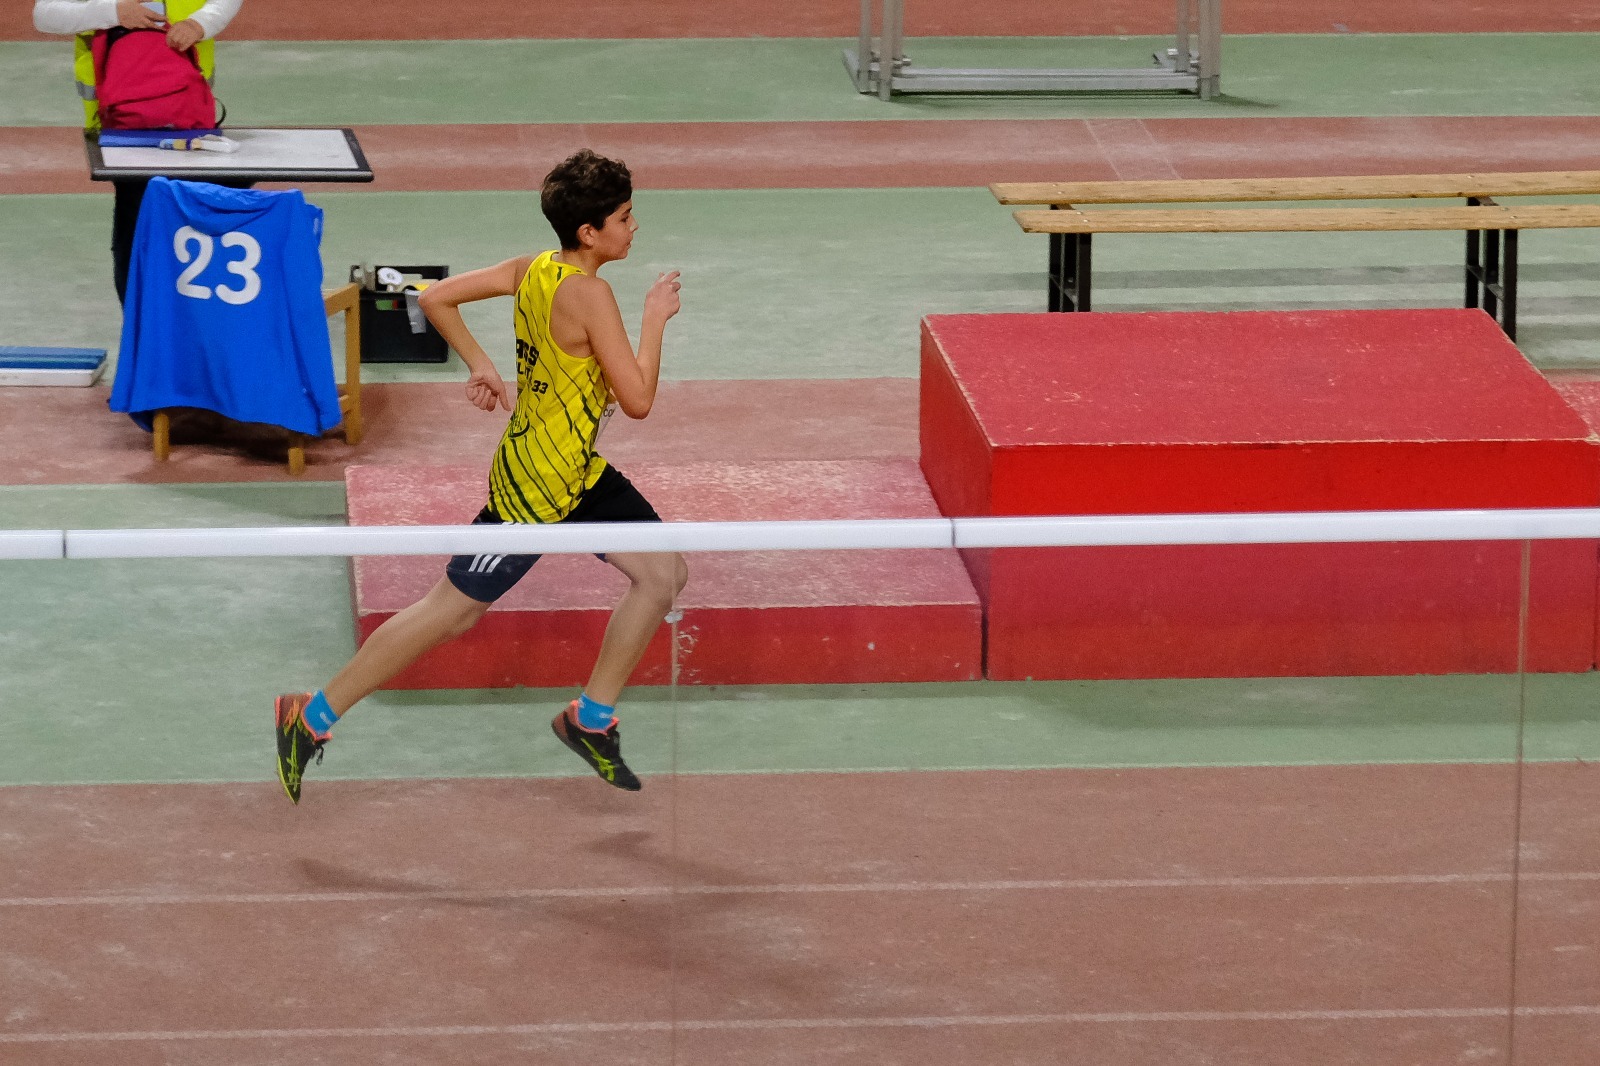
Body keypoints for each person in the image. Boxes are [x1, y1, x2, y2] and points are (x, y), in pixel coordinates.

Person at [274, 150, 687, 804]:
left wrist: (481, 365)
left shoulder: (532, 268)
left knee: (662, 573)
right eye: (625, 217)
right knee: (452, 612)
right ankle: (310, 716)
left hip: (578, 471)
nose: (634, 227)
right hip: (535, 488)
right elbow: (636, 399)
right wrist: (654, 322)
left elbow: (435, 297)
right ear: (589, 233)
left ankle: (591, 718)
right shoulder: (591, 295)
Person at [32, 0, 242, 303]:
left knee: (193, 228)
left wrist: (200, 23)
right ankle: (138, 323)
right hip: (124, 132)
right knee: (135, 235)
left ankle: (192, 322)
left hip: (190, 123)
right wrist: (113, 12)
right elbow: (45, 14)